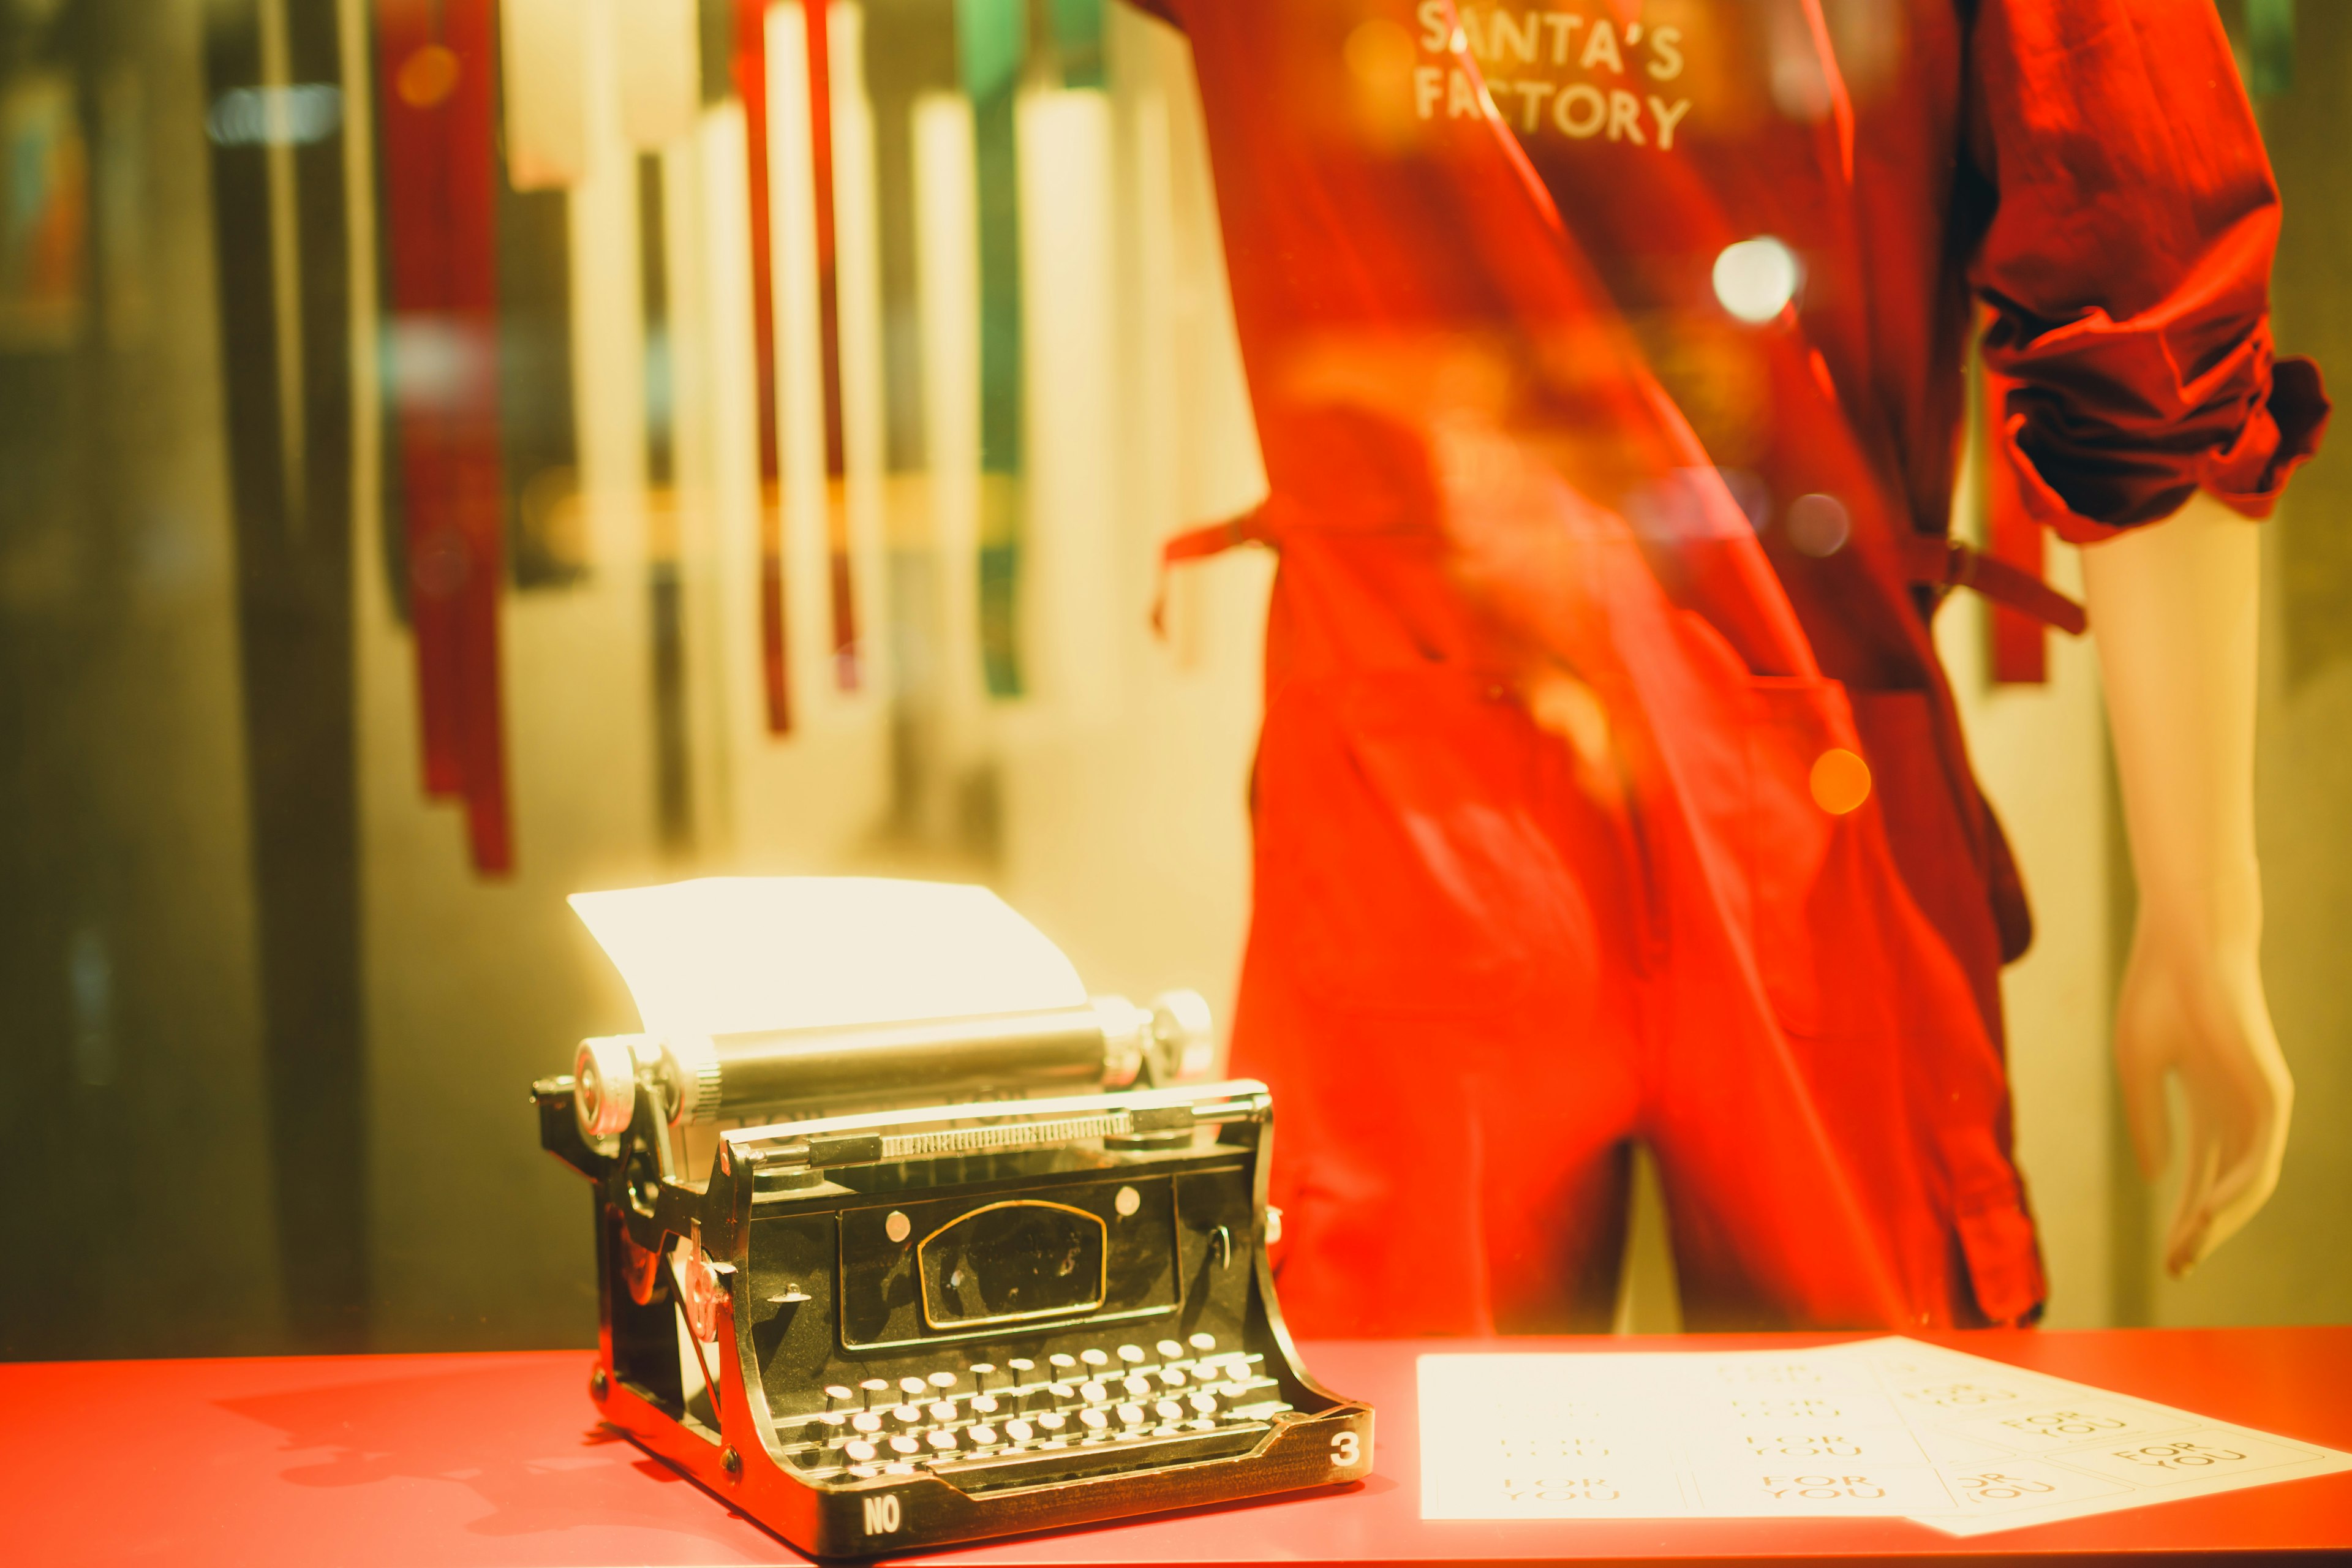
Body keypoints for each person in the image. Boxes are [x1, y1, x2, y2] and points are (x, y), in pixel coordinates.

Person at [1136, 0, 2326, 1333]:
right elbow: (2149, 281)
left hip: (1419, 810)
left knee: (1386, 1481)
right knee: (1885, 1487)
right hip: (1806, 804)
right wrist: (2202, 903)